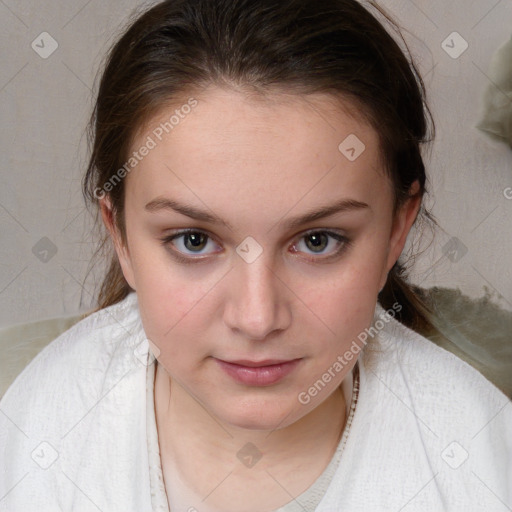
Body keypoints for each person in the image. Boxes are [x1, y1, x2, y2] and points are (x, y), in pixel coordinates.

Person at [1, 0, 511, 511]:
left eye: (318, 241)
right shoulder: (33, 436)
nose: (257, 318)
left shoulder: (479, 464)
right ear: (121, 235)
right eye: (193, 241)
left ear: (397, 230)